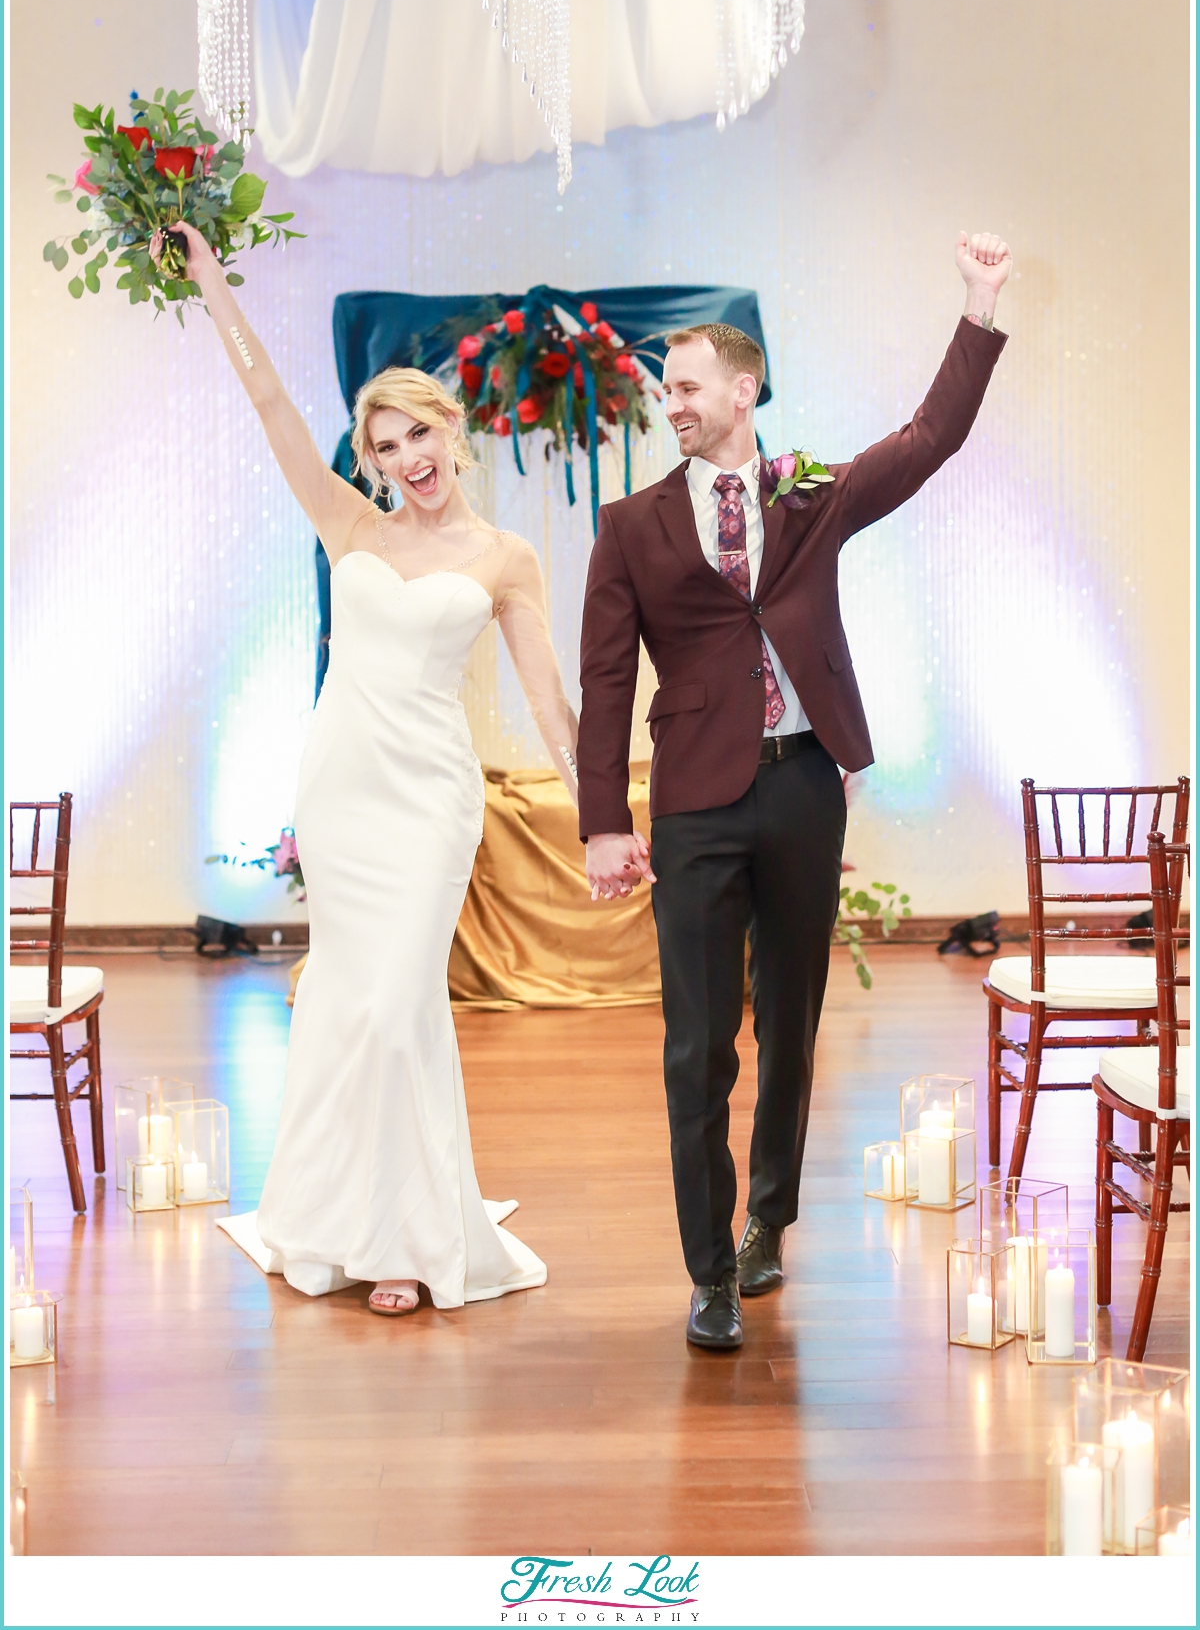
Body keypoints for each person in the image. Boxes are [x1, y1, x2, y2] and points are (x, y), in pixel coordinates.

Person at [577, 230, 1012, 1350]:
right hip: (696, 804)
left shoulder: (809, 493)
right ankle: (709, 1268)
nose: (668, 402)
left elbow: (928, 439)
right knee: (695, 1043)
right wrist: (601, 823)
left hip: (806, 784)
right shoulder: (629, 526)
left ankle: (769, 1219)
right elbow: (606, 677)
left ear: (741, 386)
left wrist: (978, 307)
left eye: (683, 385)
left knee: (793, 1024)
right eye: (661, 390)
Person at [159, 222, 579, 1314]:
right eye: (385, 445)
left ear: (452, 427)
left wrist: (604, 817)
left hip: (433, 797)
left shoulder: (504, 558)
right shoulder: (349, 521)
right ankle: (347, 1215)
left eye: (418, 434)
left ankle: (409, 1232)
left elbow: (547, 698)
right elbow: (272, 413)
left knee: (399, 1003)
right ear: (374, 458)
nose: (407, 459)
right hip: (342, 786)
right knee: (347, 1002)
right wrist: (212, 284)